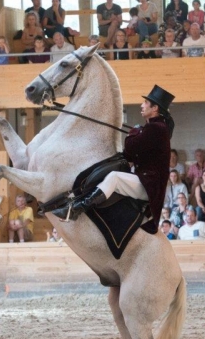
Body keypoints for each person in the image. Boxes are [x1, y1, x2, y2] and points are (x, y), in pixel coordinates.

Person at [64, 85, 174, 234]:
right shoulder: (153, 127)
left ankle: (79, 207)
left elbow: (130, 148)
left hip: (149, 186)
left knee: (114, 177)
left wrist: (134, 132)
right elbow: (129, 155)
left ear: (155, 109)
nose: (141, 106)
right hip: (145, 181)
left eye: (146, 103)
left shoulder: (157, 128)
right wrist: (138, 132)